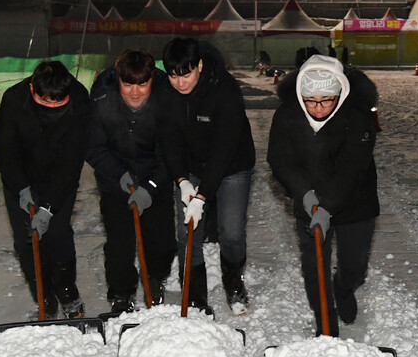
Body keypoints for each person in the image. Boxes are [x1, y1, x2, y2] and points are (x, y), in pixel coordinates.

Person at [267, 54, 379, 337]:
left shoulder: (358, 114)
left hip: (354, 201)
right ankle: (325, 325)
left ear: (340, 92)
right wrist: (305, 195)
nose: (318, 108)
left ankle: (343, 289)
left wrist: (327, 207)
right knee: (314, 264)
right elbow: (280, 159)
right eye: (311, 101)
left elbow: (352, 166)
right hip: (309, 200)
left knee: (354, 266)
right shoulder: (288, 114)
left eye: (326, 100)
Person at [157, 38, 256, 315]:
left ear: (199, 65)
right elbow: (168, 139)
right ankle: (195, 296)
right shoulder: (166, 91)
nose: (180, 83)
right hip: (190, 166)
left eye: (186, 74)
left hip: (232, 166)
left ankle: (234, 283)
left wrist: (202, 196)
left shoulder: (224, 90)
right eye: (173, 76)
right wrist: (182, 181)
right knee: (187, 231)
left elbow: (224, 149)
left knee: (231, 232)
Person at [0, 60, 90, 320]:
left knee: (56, 235)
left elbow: (72, 159)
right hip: (21, 177)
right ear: (33, 90)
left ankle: (67, 292)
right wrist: (21, 188)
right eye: (46, 103)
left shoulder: (79, 99)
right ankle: (45, 299)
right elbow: (4, 149)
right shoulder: (14, 100)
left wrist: (48, 207)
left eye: (58, 103)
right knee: (26, 242)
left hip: (59, 177)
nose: (52, 108)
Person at [87, 48, 177, 315]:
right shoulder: (102, 100)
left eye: (142, 84)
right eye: (128, 84)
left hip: (156, 179)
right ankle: (121, 293)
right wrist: (121, 177)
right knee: (119, 242)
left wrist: (149, 187)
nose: (135, 92)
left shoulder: (167, 102)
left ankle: (154, 279)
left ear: (151, 80)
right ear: (118, 81)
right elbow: (94, 147)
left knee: (161, 242)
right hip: (116, 179)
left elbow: (172, 151)